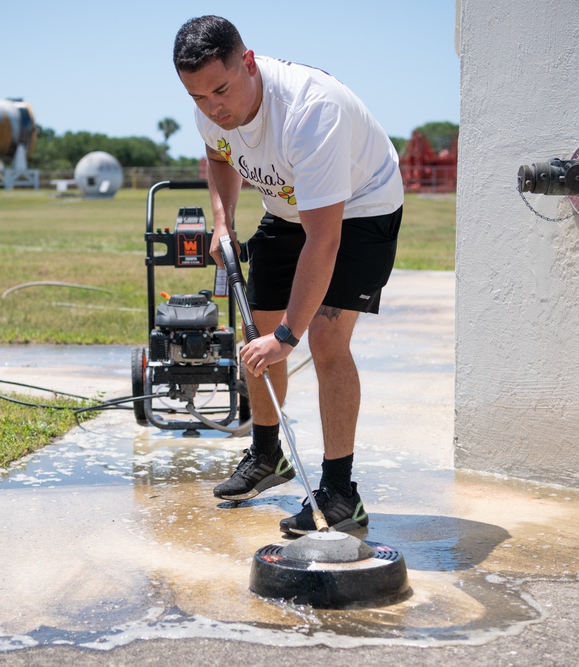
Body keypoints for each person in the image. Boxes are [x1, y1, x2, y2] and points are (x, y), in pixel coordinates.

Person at [173, 16, 404, 535]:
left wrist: (287, 337)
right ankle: (267, 455)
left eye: (221, 90)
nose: (213, 107)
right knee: (256, 327)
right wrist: (223, 221)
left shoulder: (309, 113)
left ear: (248, 63)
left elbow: (324, 240)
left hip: (362, 208)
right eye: (198, 97)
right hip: (290, 206)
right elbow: (218, 153)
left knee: (323, 338)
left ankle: (342, 494)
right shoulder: (212, 109)